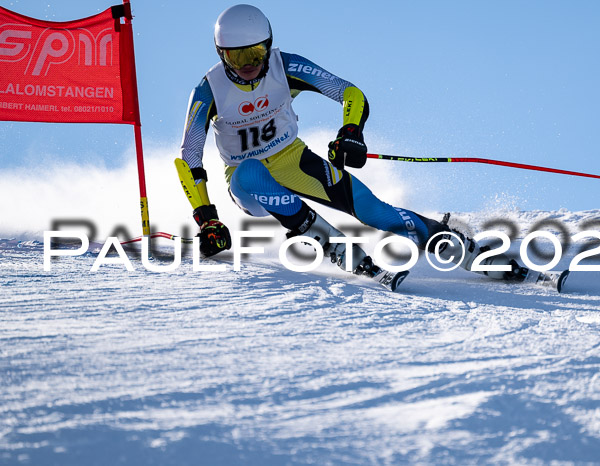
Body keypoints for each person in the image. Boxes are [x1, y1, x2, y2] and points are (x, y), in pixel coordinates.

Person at [179, 4, 521, 280]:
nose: (249, 65)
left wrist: (350, 132)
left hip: (293, 160)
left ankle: (453, 244)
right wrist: (207, 217)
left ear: (268, 46)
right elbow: (189, 155)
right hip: (248, 183)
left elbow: (348, 92)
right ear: (222, 54)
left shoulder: (286, 66)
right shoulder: (209, 90)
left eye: (255, 53)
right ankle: (322, 237)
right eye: (237, 58)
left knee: (374, 210)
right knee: (249, 172)